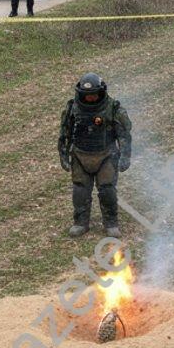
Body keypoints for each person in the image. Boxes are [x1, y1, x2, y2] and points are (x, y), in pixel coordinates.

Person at [58, 72, 133, 238]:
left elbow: (124, 135)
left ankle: (111, 223)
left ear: (101, 93)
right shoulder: (72, 108)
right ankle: (80, 223)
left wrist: (125, 156)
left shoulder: (113, 108)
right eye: (87, 96)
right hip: (80, 155)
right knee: (80, 190)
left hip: (106, 155)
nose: (91, 99)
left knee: (107, 190)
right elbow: (65, 133)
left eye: (93, 95)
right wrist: (63, 155)